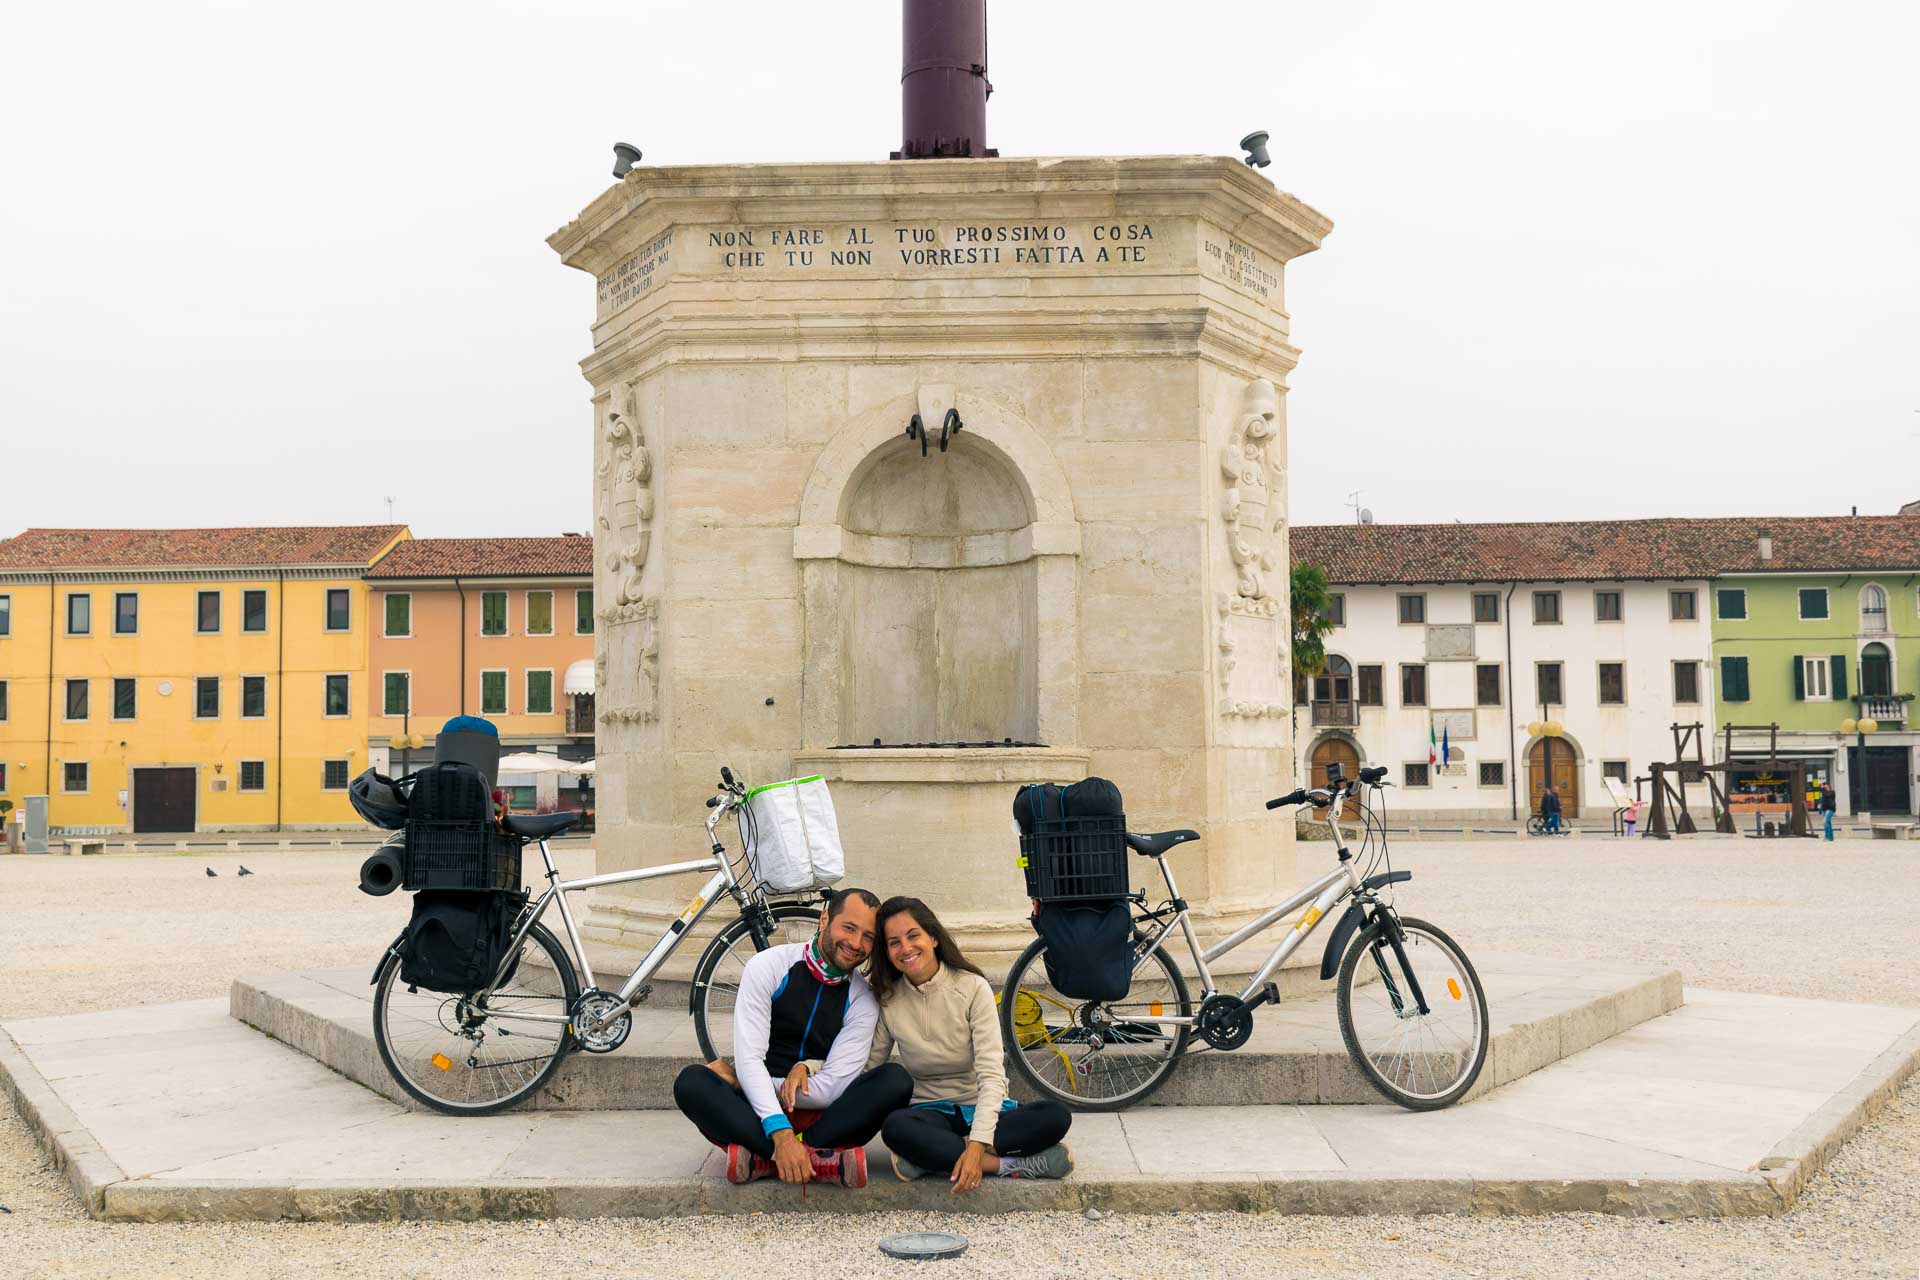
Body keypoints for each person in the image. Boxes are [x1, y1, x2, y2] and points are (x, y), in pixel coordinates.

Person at [672, 887, 911, 1188]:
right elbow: (750, 1059)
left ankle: (762, 1158)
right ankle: (817, 1159)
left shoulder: (863, 997)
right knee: (691, 1083)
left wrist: (742, 1079)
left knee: (895, 1081)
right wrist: (780, 1132)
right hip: (756, 1111)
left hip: (823, 1116)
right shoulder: (768, 966)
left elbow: (832, 1088)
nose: (855, 944)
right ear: (824, 920)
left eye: (868, 937)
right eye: (848, 928)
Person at [866, 897, 1073, 1190]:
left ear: (933, 937)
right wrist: (811, 1068)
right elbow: (868, 1068)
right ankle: (1009, 1165)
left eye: (913, 936)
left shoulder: (972, 987)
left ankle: (931, 1160)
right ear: (886, 952)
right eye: (894, 942)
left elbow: (991, 1074)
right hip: (931, 1116)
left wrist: (977, 1144)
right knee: (896, 1127)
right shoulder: (889, 999)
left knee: (1055, 1116)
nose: (906, 948)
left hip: (987, 1110)